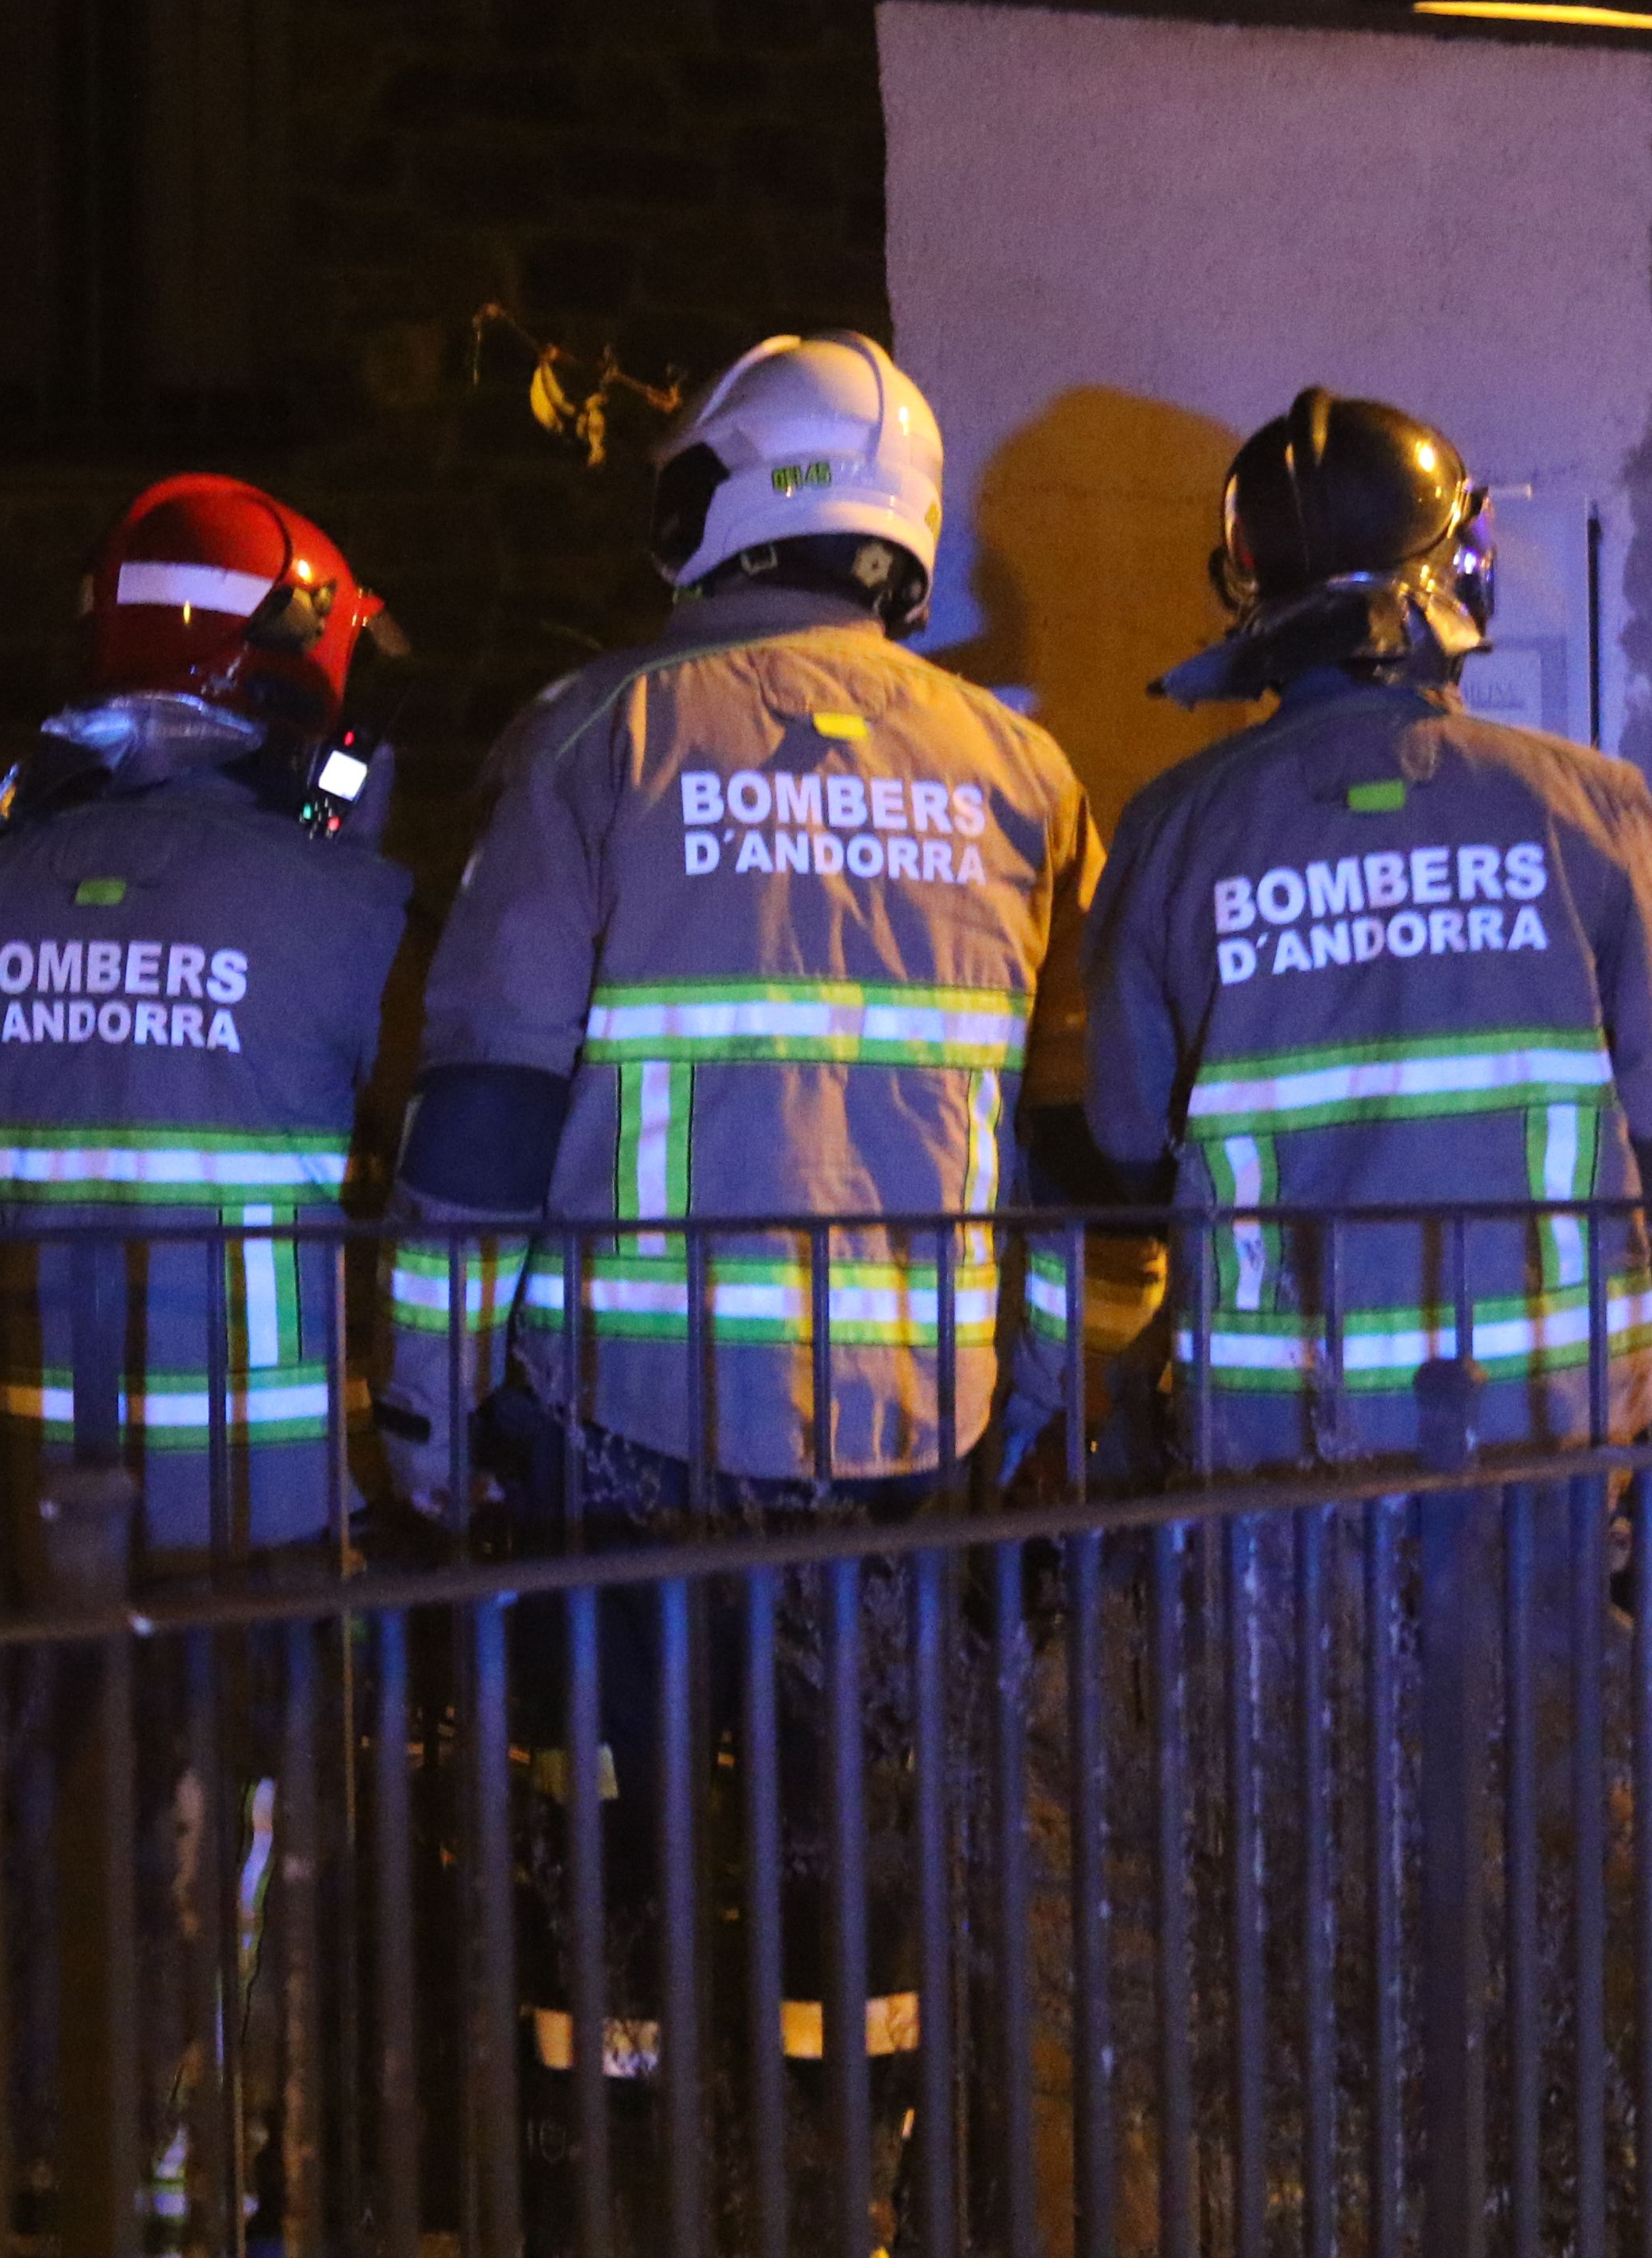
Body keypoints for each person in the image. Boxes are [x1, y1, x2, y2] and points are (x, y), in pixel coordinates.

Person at [381, 328, 1102, 2245]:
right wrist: (1026, 1403)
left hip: (616, 1434)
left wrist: (425, 1412)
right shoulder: (1025, 774)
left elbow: (481, 1120)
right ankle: (839, 2199)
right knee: (851, 1873)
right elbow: (1034, 1148)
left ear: (732, 498)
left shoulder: (595, 737)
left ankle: (602, 2200)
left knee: (597, 1855)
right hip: (903, 1441)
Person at [1081, 386, 1652, 1473]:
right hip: (1550, 1411)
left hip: (1275, 1430)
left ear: (1251, 595)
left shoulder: (1170, 832)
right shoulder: (1591, 807)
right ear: (1454, 574)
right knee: (1547, 1649)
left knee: (1294, 1652)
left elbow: (1127, 1147)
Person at [0, 471, 411, 1581]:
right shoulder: (356, 913)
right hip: (272, 1523)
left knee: (39, 1755)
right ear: (299, 678)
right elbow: (459, 1175)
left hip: (31, 1518)